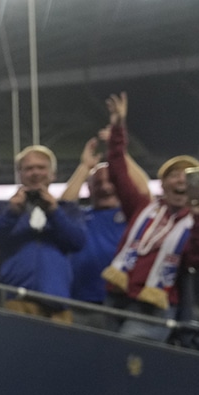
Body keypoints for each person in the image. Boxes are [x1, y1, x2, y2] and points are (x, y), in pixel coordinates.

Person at [100, 92, 199, 341]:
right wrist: (118, 126)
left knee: (125, 352)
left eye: (189, 176)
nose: (181, 180)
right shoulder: (143, 207)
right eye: (174, 175)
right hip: (117, 297)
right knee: (103, 358)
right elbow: (118, 170)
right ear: (162, 184)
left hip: (154, 306)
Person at [0, 144, 85, 322]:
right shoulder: (1, 208)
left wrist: (54, 212)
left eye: (41, 167)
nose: (35, 173)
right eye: (28, 168)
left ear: (53, 174)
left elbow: (77, 242)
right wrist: (11, 214)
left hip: (57, 304)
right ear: (20, 175)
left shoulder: (67, 210)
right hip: (15, 300)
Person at [61, 133, 151, 327]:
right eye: (98, 183)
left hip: (122, 302)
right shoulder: (80, 215)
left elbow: (144, 190)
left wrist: (120, 152)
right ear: (89, 189)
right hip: (78, 302)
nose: (105, 187)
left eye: (110, 181)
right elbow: (63, 206)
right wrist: (84, 167)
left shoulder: (132, 214)